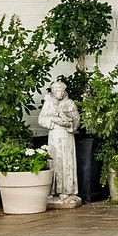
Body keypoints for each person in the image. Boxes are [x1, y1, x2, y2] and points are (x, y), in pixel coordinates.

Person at [41, 79, 82, 207]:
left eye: (60, 90)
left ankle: (68, 191)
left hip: (66, 135)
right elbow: (41, 119)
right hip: (54, 135)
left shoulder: (69, 103)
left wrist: (69, 123)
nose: (58, 93)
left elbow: (76, 121)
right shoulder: (49, 103)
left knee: (66, 161)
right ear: (53, 92)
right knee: (53, 161)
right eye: (56, 90)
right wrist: (54, 120)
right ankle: (53, 192)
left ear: (64, 91)